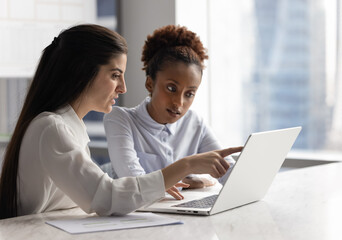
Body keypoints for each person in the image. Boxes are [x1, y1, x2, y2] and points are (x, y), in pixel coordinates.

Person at [0, 24, 242, 219]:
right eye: (115, 75)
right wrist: (185, 166)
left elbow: (91, 195)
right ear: (82, 72)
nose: (123, 88)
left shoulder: (70, 127)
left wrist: (159, 182)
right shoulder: (51, 128)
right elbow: (105, 196)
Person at [103, 25, 237, 200]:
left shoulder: (194, 122)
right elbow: (135, 187)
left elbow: (232, 176)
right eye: (171, 88)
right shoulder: (120, 119)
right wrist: (189, 176)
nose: (179, 103)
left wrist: (188, 181)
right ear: (150, 84)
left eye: (189, 94)